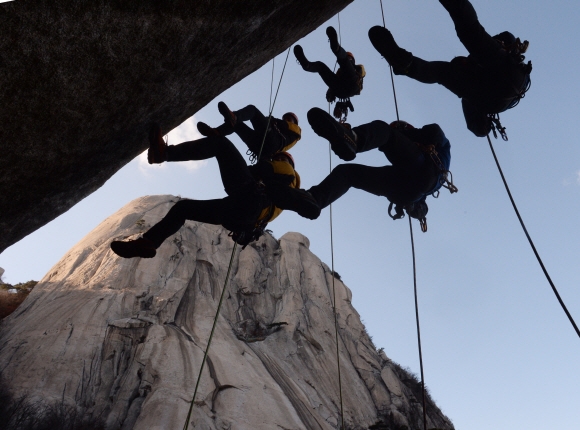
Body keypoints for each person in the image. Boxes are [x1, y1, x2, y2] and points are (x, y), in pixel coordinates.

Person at [111, 125, 320, 258]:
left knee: (221, 145)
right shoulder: (285, 193)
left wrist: (231, 159)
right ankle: (149, 242)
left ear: (284, 159)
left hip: (250, 200)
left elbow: (254, 170)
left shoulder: (287, 170)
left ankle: (164, 153)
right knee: (183, 208)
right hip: (241, 219)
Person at [368, 0, 532, 137]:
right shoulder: (474, 93)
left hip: (510, 76)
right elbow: (478, 129)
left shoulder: (474, 84)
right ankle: (407, 65)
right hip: (499, 96)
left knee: (469, 31)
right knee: (442, 71)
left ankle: (407, 64)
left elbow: (503, 40)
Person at [306, 108, 452, 227]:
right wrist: (416, 210)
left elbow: (436, 131)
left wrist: (408, 135)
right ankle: (314, 200)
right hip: (408, 190)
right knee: (347, 174)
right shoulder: (421, 161)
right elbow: (422, 201)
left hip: (425, 170)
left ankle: (354, 139)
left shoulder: (433, 145)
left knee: (385, 131)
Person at [294, 26, 366, 119]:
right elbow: (332, 83)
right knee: (321, 66)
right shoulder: (340, 72)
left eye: (350, 58)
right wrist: (331, 94)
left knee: (343, 61)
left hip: (352, 83)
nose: (349, 59)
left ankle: (336, 48)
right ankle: (307, 65)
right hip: (341, 89)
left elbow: (356, 72)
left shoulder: (358, 69)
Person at [197, 102, 301, 162]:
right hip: (261, 147)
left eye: (289, 119)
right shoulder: (282, 129)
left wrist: (271, 119)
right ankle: (216, 132)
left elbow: (282, 124)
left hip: (272, 140)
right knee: (237, 126)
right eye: (285, 118)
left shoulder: (296, 130)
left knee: (253, 110)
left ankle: (235, 116)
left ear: (295, 122)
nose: (286, 120)